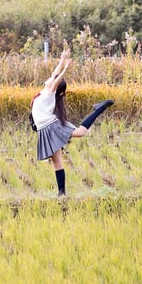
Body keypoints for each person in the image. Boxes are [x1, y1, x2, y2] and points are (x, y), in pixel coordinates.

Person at [31, 48, 114, 197]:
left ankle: (99, 109)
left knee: (81, 132)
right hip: (45, 129)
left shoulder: (50, 93)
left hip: (51, 126)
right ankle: (61, 193)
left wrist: (66, 70)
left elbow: (56, 79)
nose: (51, 78)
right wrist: (62, 60)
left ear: (54, 86)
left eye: (54, 80)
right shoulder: (45, 90)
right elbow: (54, 75)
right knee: (57, 162)